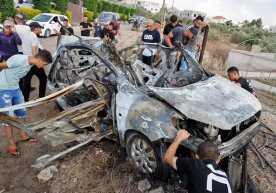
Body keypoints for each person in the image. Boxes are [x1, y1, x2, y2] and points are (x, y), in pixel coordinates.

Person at [0, 49, 53, 157]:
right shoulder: (18, 60)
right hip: (3, 89)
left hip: (15, 88)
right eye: (44, 64)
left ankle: (22, 135)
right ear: (39, 59)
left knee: (22, 113)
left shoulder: (31, 62)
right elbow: (1, 65)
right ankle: (11, 144)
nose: (43, 66)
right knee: (8, 118)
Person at [164, 130, 232, 193]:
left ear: (196, 156)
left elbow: (167, 158)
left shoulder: (194, 166)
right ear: (218, 160)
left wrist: (179, 138)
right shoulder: (226, 176)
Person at [21, 22, 47, 102]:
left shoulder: (26, 35)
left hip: (26, 61)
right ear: (35, 28)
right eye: (40, 28)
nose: (40, 30)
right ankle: (41, 98)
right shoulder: (33, 37)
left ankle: (25, 101)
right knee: (43, 78)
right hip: (33, 62)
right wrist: (40, 62)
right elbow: (34, 52)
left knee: (26, 82)